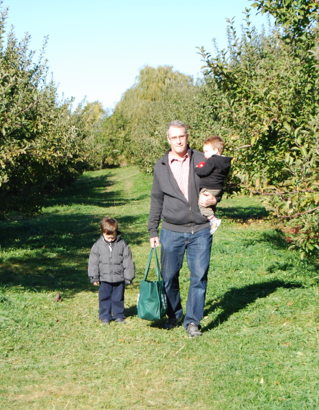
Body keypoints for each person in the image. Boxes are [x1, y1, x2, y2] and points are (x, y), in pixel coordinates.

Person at [148, 120, 218, 337]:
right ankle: (174, 313)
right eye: (174, 137)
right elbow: (156, 199)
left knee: (199, 275)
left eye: (182, 136)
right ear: (168, 139)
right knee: (169, 277)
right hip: (171, 229)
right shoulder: (160, 167)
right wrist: (153, 230)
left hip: (200, 229)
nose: (179, 140)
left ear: (187, 136)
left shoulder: (201, 159)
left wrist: (216, 197)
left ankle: (193, 322)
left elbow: (217, 180)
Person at [88, 217, 135, 324]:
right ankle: (105, 316)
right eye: (108, 237)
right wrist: (94, 277)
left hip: (119, 277)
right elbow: (93, 263)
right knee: (104, 298)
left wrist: (128, 276)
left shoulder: (122, 244)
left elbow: (128, 261)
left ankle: (119, 315)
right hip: (104, 278)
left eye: (112, 237)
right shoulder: (97, 246)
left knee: (118, 298)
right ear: (102, 232)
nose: (110, 240)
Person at [194, 136, 232, 234]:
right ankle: (212, 217)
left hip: (209, 187)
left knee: (202, 203)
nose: (205, 154)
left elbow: (204, 171)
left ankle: (213, 220)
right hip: (218, 188)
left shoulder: (212, 160)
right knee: (209, 205)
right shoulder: (225, 162)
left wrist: (197, 168)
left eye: (206, 151)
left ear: (215, 150)